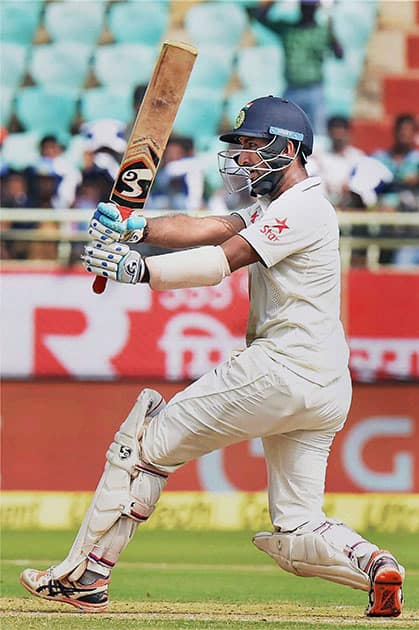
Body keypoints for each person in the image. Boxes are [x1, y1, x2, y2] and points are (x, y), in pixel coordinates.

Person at [20, 96, 404, 618]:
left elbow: (227, 258)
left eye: (252, 145)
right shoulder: (277, 207)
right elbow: (214, 227)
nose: (243, 157)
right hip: (327, 385)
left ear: (289, 149)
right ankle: (374, 564)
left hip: (282, 366)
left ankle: (87, 574)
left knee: (144, 445)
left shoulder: (305, 206)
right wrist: (141, 229)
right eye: (240, 146)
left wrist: (138, 270)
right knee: (296, 526)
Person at [248, 0, 343, 135]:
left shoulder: (323, 31)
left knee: (317, 134)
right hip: (292, 89)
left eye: (310, 7)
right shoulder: (288, 30)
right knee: (285, 131)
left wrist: (331, 26)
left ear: (316, 8)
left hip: (314, 91)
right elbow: (260, 17)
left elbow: (339, 54)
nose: (307, 10)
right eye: (304, 7)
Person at [308, 115, 365, 206]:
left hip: (350, 201)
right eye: (335, 134)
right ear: (329, 133)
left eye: (341, 134)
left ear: (348, 133)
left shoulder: (358, 157)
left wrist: (349, 187)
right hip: (325, 200)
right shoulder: (319, 155)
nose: (338, 138)